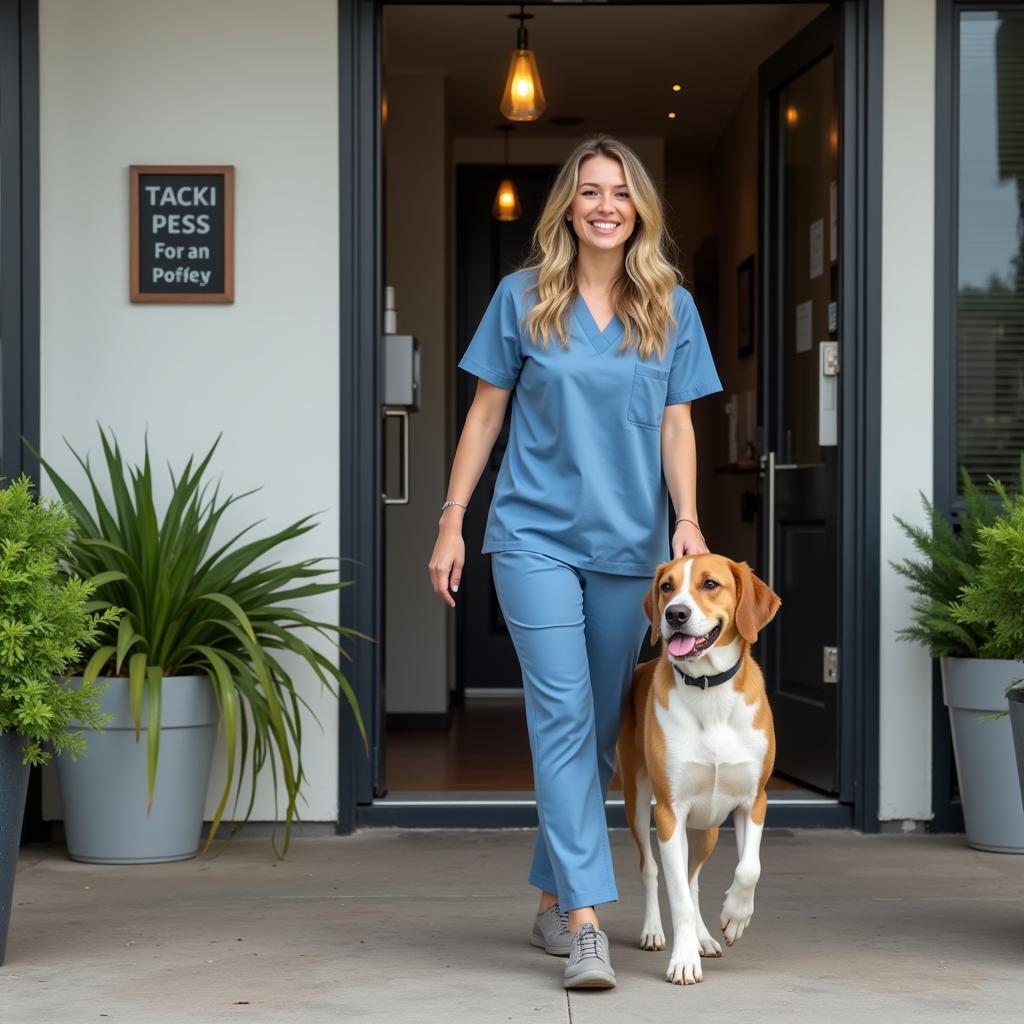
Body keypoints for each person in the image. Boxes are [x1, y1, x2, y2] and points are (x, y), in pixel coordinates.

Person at [427, 133, 722, 990]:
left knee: (594, 732)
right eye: (589, 191)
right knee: (559, 715)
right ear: (568, 206)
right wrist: (453, 520)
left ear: (639, 210)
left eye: (620, 193)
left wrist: (688, 522)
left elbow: (677, 424)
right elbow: (485, 417)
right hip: (531, 538)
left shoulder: (672, 305)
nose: (604, 206)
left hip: (629, 546)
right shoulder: (524, 297)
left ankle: (553, 894)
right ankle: (589, 922)